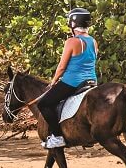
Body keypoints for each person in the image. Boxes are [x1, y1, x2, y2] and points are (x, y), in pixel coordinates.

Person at [36, 8, 98, 149]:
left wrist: (53, 81)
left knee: (44, 104)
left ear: (73, 23)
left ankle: (57, 137)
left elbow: (62, 67)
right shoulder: (93, 41)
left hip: (73, 82)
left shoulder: (72, 41)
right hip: (91, 82)